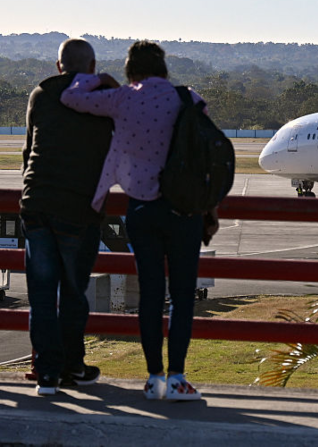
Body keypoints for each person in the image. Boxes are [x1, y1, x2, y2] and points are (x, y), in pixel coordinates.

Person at [60, 40, 214, 401]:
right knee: (181, 297)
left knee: (150, 296)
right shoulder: (187, 98)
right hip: (184, 210)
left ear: (131, 70)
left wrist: (98, 78)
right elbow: (206, 150)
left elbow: (71, 97)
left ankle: (153, 379)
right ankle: (177, 378)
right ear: (163, 68)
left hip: (142, 210)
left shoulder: (123, 98)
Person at [21, 38, 113, 396]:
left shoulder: (41, 94)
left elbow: (29, 151)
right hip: (79, 206)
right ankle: (73, 367)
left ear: (59, 66)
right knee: (74, 293)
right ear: (91, 66)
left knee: (41, 297)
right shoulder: (102, 97)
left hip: (37, 202)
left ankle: (46, 374)